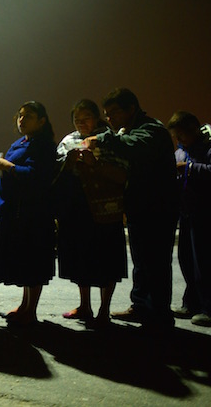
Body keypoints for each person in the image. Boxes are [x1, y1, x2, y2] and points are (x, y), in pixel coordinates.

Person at [85, 88, 178, 329]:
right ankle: (140, 306)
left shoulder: (151, 130)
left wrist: (103, 138)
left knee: (156, 261)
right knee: (142, 260)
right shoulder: (131, 130)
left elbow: (134, 145)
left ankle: (159, 316)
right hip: (140, 206)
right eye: (107, 114)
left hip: (158, 209)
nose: (111, 118)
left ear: (131, 109)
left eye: (114, 112)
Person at [54, 99, 129, 328]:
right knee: (80, 258)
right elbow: (56, 172)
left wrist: (94, 163)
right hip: (77, 209)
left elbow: (123, 172)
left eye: (85, 117)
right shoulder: (68, 140)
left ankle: (104, 310)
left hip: (104, 208)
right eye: (76, 119)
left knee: (107, 260)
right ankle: (84, 305)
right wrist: (68, 163)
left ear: (96, 118)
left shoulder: (109, 139)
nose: (80, 123)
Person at [0, 101, 56, 325]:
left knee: (33, 263)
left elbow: (34, 175)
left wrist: (6, 165)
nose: (22, 120)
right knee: (24, 263)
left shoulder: (44, 145)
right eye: (20, 115)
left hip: (32, 213)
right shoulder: (21, 142)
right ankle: (24, 306)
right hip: (13, 212)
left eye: (28, 116)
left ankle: (31, 310)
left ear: (42, 121)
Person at [167, 111, 211, 327]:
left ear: (194, 131)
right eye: (176, 137)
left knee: (206, 262)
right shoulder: (182, 151)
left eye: (181, 135)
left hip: (209, 212)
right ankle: (191, 303)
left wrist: (188, 168)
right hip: (188, 213)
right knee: (187, 260)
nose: (179, 141)